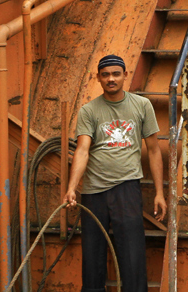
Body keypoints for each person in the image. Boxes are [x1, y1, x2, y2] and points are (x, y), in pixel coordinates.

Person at [64, 54, 165, 292]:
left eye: (116, 74)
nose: (111, 79)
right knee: (92, 256)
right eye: (106, 74)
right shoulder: (89, 111)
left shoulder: (141, 106)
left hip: (127, 189)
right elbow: (82, 150)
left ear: (125, 76)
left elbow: (153, 150)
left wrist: (160, 192)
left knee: (132, 255)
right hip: (94, 191)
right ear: (98, 78)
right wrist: (71, 187)